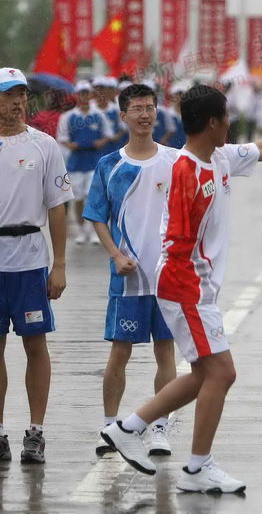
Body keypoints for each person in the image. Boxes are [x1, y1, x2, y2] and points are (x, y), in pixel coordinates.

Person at [100, 84, 262, 491]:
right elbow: (175, 240)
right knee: (222, 373)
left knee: (204, 375)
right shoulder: (185, 171)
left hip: (195, 288)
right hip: (184, 286)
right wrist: (185, 285)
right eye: (226, 117)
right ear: (212, 123)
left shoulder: (221, 156)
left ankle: (132, 429)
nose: (231, 123)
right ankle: (193, 465)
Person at [83, 84, 177, 457]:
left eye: (149, 107)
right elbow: (97, 216)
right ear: (122, 116)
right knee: (120, 353)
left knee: (165, 353)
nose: (144, 114)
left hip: (167, 275)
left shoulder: (174, 160)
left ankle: (159, 428)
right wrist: (114, 256)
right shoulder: (110, 165)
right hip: (128, 277)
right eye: (136, 108)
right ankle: (110, 426)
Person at [0, 67, 73, 463]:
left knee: (35, 345)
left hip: (29, 258)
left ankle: (36, 431)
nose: (17, 102)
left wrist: (58, 264)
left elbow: (57, 207)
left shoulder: (44, 146)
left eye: (21, 95)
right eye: (8, 95)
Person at [57, 80, 112, 245]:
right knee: (78, 198)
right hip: (76, 163)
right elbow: (62, 138)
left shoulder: (99, 115)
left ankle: (93, 231)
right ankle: (81, 231)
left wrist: (100, 143)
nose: (84, 96)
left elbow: (108, 134)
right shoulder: (68, 116)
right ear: (77, 95)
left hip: (94, 161)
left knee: (92, 197)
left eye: (86, 93)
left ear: (90, 95)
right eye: (81, 93)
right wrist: (71, 145)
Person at [92, 76, 127, 155]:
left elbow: (123, 127)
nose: (99, 92)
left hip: (113, 148)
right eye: (97, 89)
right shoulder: (90, 108)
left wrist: (116, 137)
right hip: (95, 150)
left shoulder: (116, 108)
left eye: (102, 89)